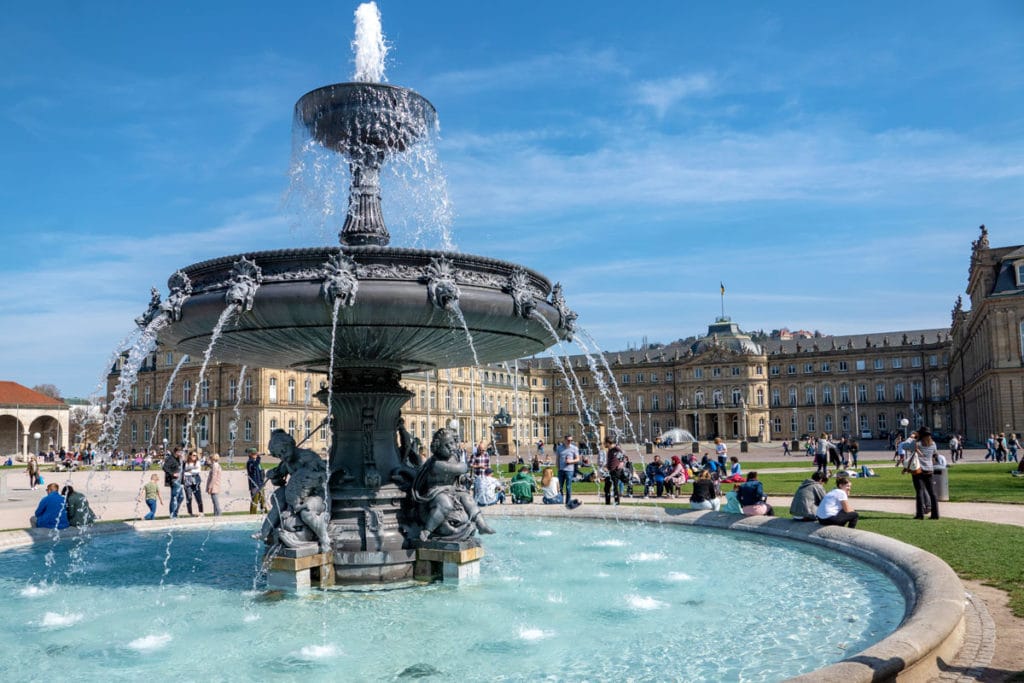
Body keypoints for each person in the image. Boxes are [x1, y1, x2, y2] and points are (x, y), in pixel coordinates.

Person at [907, 427, 940, 520]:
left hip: (918, 470)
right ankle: (935, 514)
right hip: (929, 470)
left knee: (919, 492)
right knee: (932, 492)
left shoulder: (917, 443)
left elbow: (905, 445)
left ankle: (920, 514)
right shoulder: (933, 444)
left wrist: (912, 437)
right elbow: (935, 454)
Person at [555, 434, 580, 508]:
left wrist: (571, 461)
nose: (570, 441)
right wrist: (558, 467)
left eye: (571, 440)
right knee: (560, 487)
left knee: (568, 487)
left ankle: (568, 502)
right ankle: (560, 500)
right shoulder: (559, 448)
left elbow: (578, 459)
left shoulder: (574, 448)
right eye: (568, 440)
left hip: (569, 470)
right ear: (565, 440)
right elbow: (557, 459)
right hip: (561, 470)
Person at [603, 438, 626, 505]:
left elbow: (623, 458)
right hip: (609, 471)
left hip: (615, 471)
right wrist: (606, 466)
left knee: (615, 488)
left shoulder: (616, 449)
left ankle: (617, 503)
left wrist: (621, 463)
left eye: (605, 443)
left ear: (608, 443)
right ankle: (607, 503)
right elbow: (611, 460)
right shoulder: (610, 450)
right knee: (606, 488)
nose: (604, 444)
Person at [162, 449, 184, 518]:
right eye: (180, 452)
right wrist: (172, 474)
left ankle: (175, 512)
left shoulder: (178, 459)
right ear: (176, 452)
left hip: (179, 481)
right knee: (174, 497)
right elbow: (164, 467)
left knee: (181, 497)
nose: (181, 453)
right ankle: (172, 514)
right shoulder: (171, 458)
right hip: (174, 480)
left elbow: (181, 468)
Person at [183, 451, 204, 516]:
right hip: (187, 481)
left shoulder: (197, 462)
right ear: (190, 456)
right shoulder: (186, 463)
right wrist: (192, 470)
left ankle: (201, 512)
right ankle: (190, 512)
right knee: (189, 497)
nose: (195, 456)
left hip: (195, 481)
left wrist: (191, 471)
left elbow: (198, 471)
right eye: (193, 455)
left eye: (195, 455)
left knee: (198, 496)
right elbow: (184, 471)